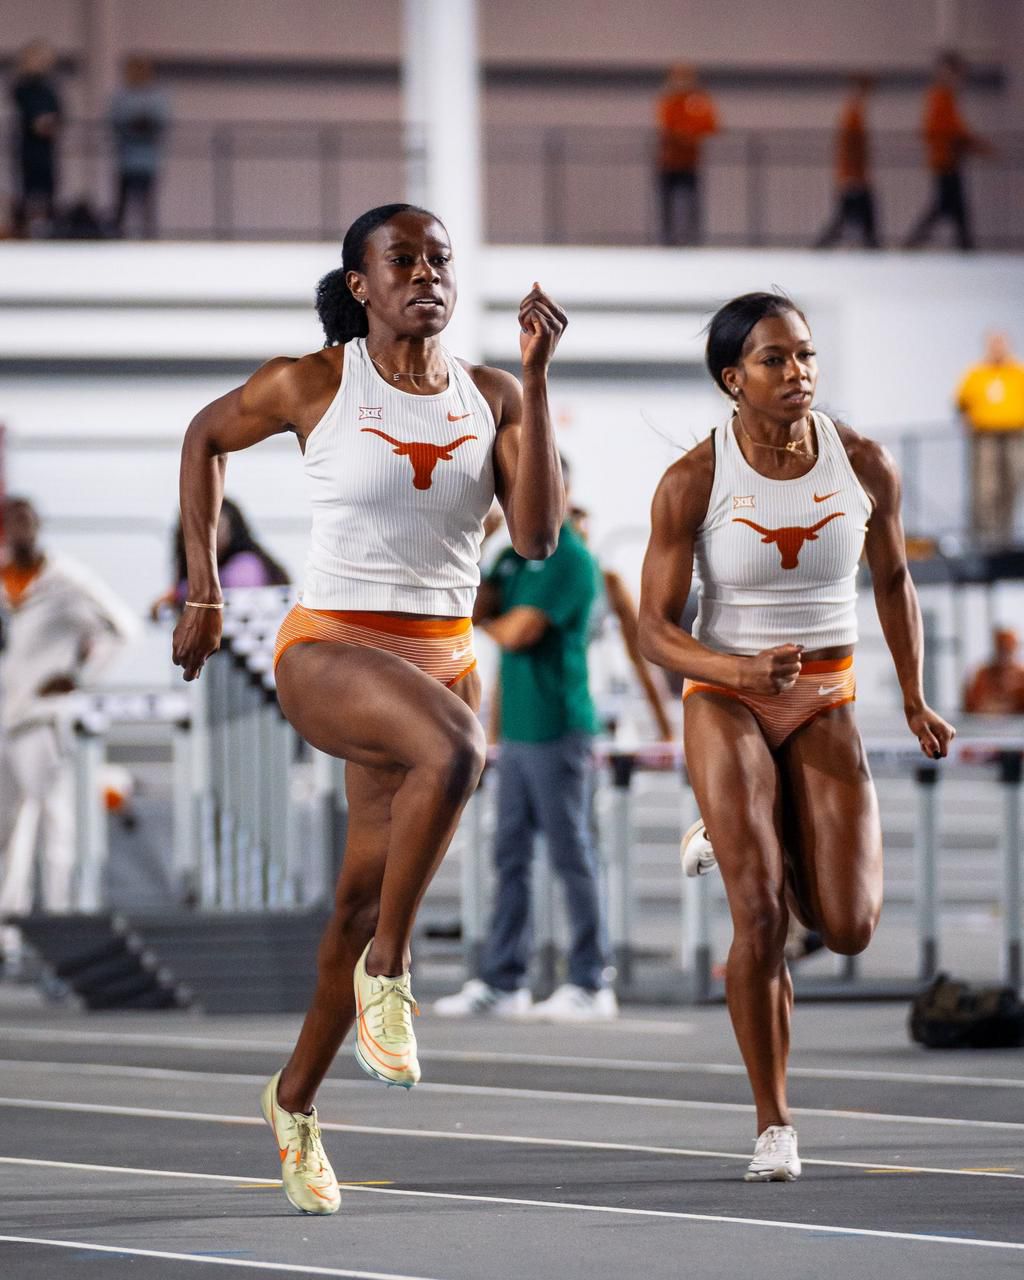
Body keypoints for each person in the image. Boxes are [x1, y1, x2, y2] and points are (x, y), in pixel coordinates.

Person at [171, 203, 567, 1215]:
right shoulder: (312, 382)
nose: (427, 272)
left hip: (440, 658)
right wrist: (204, 589)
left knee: (352, 898)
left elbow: (533, 540)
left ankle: (293, 1099)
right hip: (331, 648)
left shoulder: (487, 396)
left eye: (440, 258)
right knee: (458, 752)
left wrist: (536, 381)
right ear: (362, 284)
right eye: (404, 259)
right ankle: (391, 970)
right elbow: (203, 437)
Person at [637, 291, 955, 1182]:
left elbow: (893, 581)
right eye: (775, 360)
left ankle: (745, 823)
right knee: (762, 912)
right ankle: (774, 1123)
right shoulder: (695, 479)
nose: (798, 373)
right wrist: (735, 673)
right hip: (727, 698)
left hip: (826, 700)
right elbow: (653, 628)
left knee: (849, 928)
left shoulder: (864, 464)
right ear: (732, 379)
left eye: (806, 356)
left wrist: (916, 698)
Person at [434, 458, 617, 1023]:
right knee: (508, 857)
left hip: (560, 727)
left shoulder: (570, 558)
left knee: (572, 855)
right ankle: (503, 980)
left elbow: (516, 631)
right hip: (516, 733)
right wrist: (484, 539)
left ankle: (590, 981)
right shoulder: (512, 557)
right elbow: (471, 607)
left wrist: (488, 618)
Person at [0, 497, 138, 973]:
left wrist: (80, 677)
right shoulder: (3, 582)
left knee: (52, 823)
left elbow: (122, 627)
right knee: (7, 830)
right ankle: (8, 941)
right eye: (8, 521)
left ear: (38, 525)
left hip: (42, 718)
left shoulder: (66, 580)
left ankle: (59, 933)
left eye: (25, 519)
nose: (17, 529)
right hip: (4, 717)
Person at [149, 496, 290, 619]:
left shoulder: (245, 566)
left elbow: (230, 602)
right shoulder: (205, 570)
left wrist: (179, 594)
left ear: (232, 529)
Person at [904, 52, 990, 251]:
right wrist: (978, 147)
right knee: (949, 206)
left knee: (951, 207)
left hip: (947, 159)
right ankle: (916, 244)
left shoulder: (945, 97)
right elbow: (949, 130)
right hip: (945, 160)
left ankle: (963, 245)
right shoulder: (941, 97)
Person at [955, 332, 1024, 547]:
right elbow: (961, 403)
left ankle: (1005, 536)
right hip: (985, 438)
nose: (997, 348)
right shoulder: (976, 374)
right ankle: (986, 538)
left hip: (1014, 435)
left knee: (1012, 483)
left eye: (1001, 343)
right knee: (986, 488)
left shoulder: (1017, 373)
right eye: (993, 344)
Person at [655, 64, 718, 247]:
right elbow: (666, 126)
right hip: (669, 161)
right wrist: (682, 134)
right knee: (667, 201)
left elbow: (710, 124)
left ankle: (691, 236)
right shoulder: (669, 101)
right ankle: (668, 238)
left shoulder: (698, 101)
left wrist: (688, 133)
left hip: (690, 161)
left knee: (691, 200)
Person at [814, 75, 880, 250]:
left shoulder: (854, 113)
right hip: (853, 176)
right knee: (854, 216)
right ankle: (873, 248)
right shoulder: (852, 115)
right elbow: (850, 148)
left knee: (853, 217)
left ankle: (873, 247)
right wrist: (853, 175)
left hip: (854, 175)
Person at [109, 56, 171, 239]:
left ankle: (148, 239)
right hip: (126, 160)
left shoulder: (157, 97)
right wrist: (134, 124)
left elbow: (160, 121)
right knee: (122, 204)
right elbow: (117, 120)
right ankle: (117, 238)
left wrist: (144, 123)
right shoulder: (122, 96)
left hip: (148, 162)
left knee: (146, 205)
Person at [10, 40, 62, 238]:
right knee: (27, 186)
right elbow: (25, 107)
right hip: (28, 144)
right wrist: (37, 121)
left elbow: (58, 109)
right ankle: (22, 228)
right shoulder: (22, 86)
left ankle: (50, 226)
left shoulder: (50, 86)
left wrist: (52, 122)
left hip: (46, 145)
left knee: (49, 185)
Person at [964, 627, 1024, 714]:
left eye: (1008, 648)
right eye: (1001, 648)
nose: (1005, 654)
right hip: (985, 725)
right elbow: (970, 706)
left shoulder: (1021, 675)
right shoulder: (982, 674)